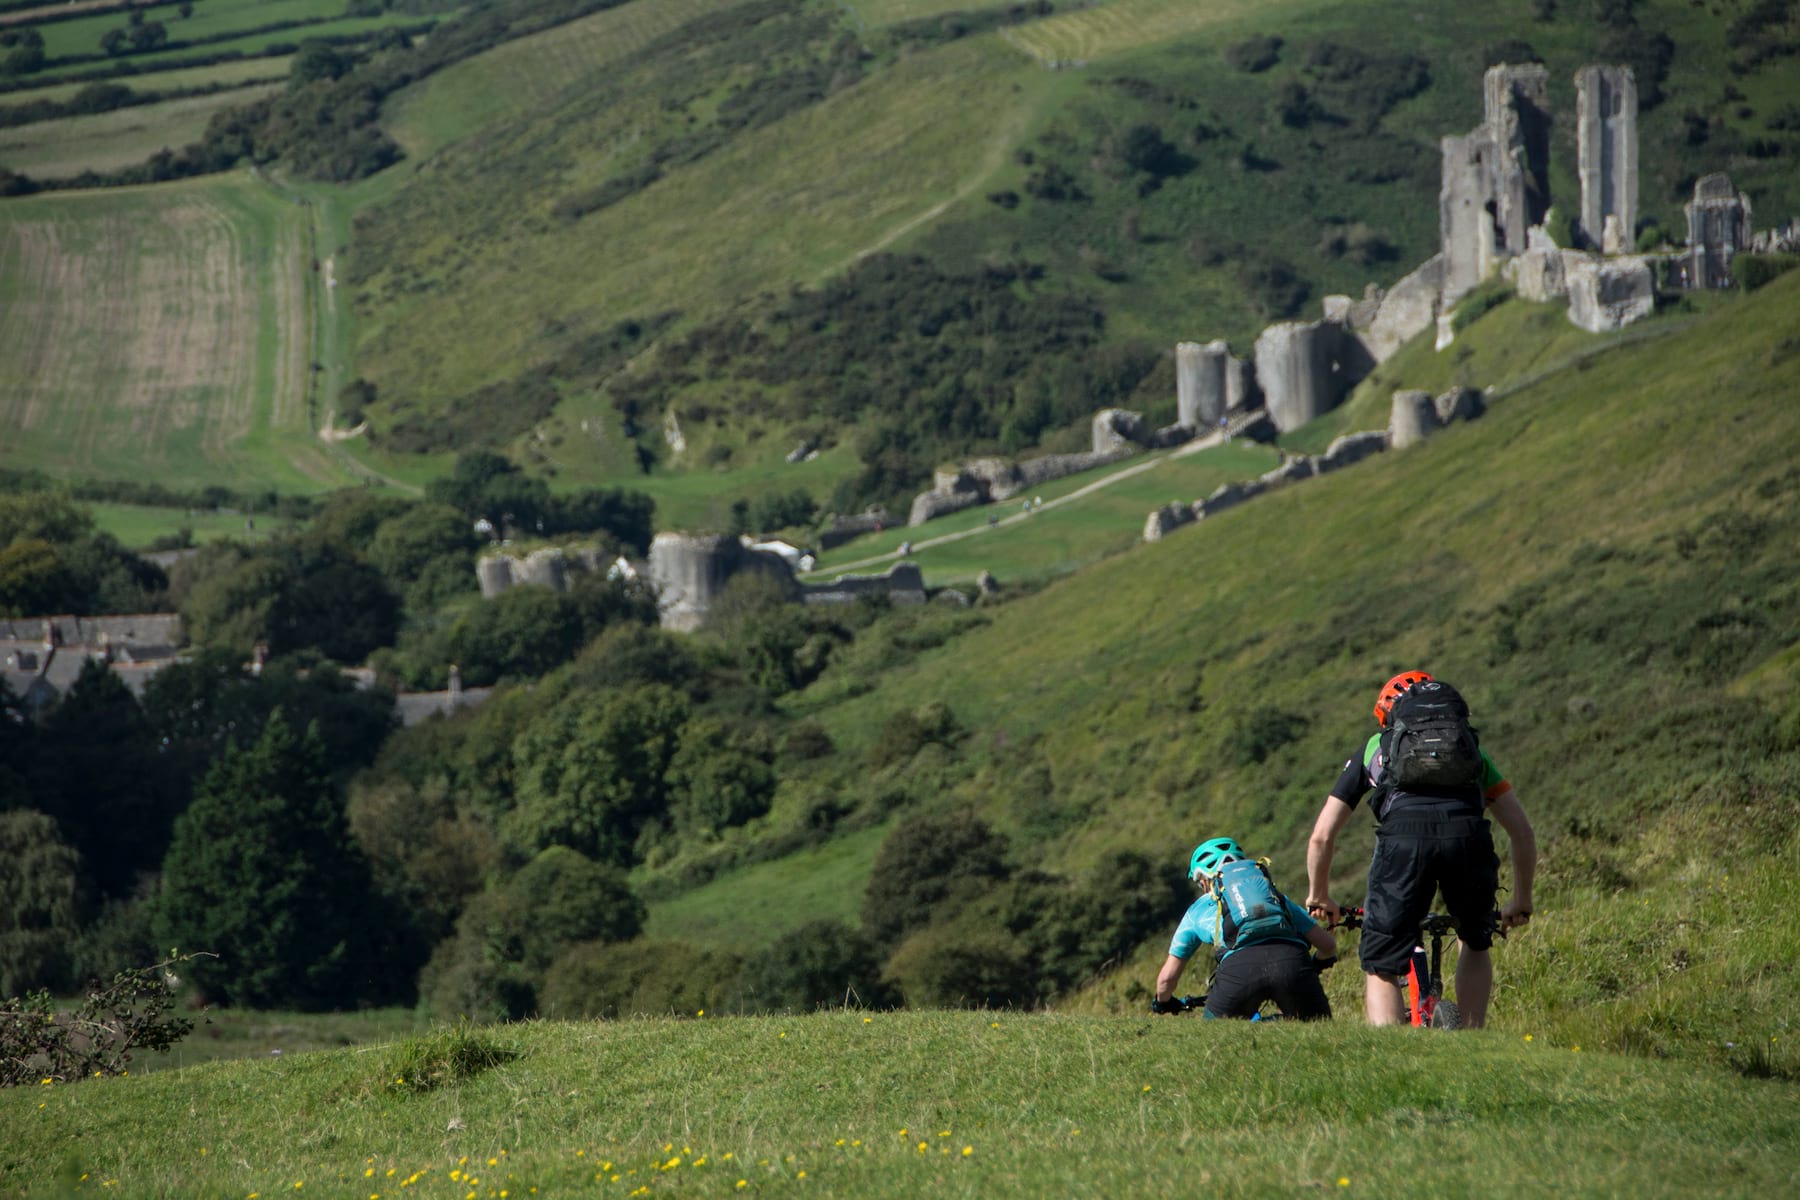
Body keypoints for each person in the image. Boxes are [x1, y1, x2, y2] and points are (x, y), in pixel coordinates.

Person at [1304, 670, 1537, 1029]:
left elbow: (1322, 836)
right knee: (1474, 940)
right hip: (1468, 836)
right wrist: (1521, 899)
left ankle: (1392, 1052)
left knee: (1382, 959)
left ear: (1389, 717)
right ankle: (1473, 1039)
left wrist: (1319, 895)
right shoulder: (1469, 749)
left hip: (1403, 841)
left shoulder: (1374, 748)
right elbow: (1521, 832)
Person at [1152, 837, 1337, 1020]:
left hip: (1238, 971)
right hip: (1293, 961)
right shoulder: (1275, 898)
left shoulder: (1197, 909)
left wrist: (1163, 1002)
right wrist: (1315, 965)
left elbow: (1167, 979)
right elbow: (1327, 946)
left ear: (1204, 880)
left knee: (1213, 1041)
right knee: (1318, 1030)